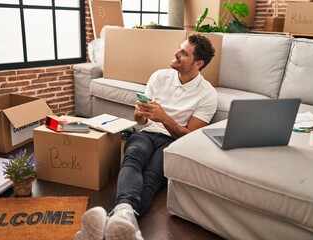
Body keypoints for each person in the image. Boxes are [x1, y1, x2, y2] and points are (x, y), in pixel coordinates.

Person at [74, 33, 217, 240]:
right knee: (133, 157)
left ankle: (110, 220)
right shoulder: (159, 76)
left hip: (174, 142)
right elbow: (141, 121)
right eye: (179, 48)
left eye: (184, 53)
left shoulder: (207, 93)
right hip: (147, 134)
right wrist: (139, 115)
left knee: (152, 176)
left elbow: (190, 138)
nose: (176, 53)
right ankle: (125, 218)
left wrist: (164, 118)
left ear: (198, 63)